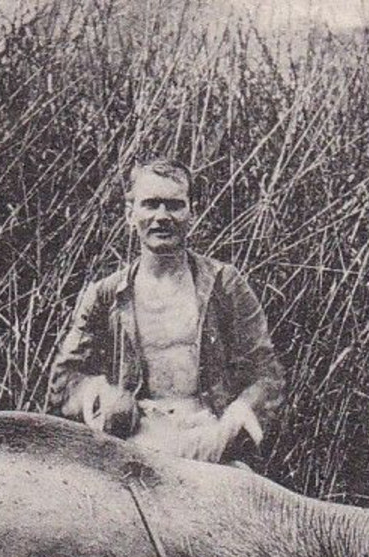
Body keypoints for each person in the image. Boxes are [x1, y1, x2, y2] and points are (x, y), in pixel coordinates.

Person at [48, 157, 284, 464]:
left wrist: (236, 419)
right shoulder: (106, 293)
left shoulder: (225, 284)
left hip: (208, 436)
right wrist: (101, 395)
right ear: (129, 214)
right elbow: (64, 378)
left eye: (174, 205)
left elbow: (267, 374)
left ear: (191, 213)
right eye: (150, 204)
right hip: (132, 443)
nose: (162, 217)